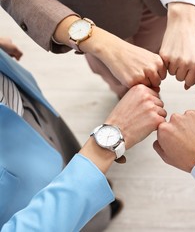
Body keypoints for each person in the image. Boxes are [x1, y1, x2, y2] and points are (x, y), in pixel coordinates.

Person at [0, 39, 167, 231]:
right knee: (65, 208)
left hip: (15, 94)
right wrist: (107, 141)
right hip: (18, 193)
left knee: (63, 149)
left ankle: (96, 198)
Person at [0, 0, 195, 98]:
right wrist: (97, 42)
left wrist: (182, 12)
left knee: (154, 48)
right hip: (92, 8)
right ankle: (120, 91)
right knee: (112, 74)